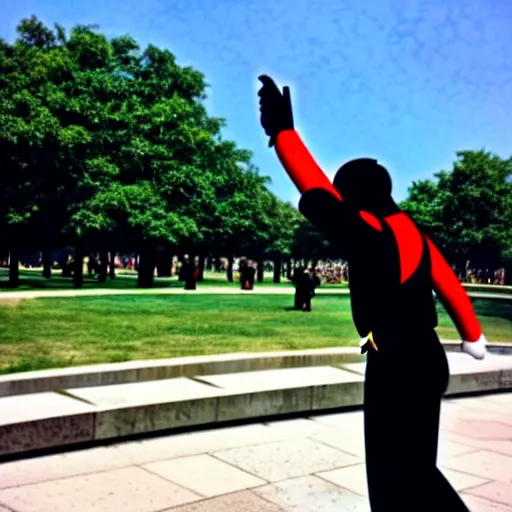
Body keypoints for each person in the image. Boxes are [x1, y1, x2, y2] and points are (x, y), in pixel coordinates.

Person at [257, 74, 487, 511]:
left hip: (392, 358)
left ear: (354, 196)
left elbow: (315, 188)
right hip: (427, 353)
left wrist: (284, 135)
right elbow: (451, 286)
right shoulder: (414, 233)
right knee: (418, 459)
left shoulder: (367, 228)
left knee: (394, 472)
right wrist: (472, 335)